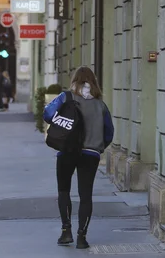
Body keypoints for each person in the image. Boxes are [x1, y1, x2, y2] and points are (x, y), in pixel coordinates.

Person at [43, 66, 114, 249]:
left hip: (67, 150)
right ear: (93, 82)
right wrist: (97, 147)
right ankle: (82, 237)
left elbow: (48, 114)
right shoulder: (101, 105)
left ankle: (66, 232)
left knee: (64, 191)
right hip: (91, 154)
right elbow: (109, 133)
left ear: (75, 80)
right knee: (86, 195)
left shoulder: (65, 97)